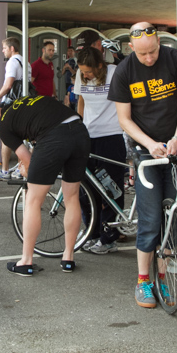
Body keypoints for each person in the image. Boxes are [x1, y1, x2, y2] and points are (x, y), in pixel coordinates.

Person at [107, 22, 177, 308]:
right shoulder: (124, 71)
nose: (149, 58)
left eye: (153, 52)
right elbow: (124, 119)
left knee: (172, 216)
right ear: (131, 47)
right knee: (150, 217)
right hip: (145, 151)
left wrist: (176, 138)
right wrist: (149, 144)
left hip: (175, 146)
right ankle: (143, 280)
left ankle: (163, 278)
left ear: (159, 42)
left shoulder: (176, 60)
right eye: (142, 53)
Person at [0, 97, 90, 275]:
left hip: (53, 137)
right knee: (72, 197)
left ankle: (26, 261)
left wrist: (26, 171)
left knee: (33, 200)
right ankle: (68, 258)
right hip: (79, 131)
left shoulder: (4, 127)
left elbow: (27, 159)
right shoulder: (18, 104)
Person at [74, 46, 126, 254]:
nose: (85, 75)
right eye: (82, 71)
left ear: (100, 66)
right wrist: (80, 126)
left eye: (88, 71)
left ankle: (109, 237)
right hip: (88, 136)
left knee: (111, 188)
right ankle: (92, 233)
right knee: (86, 190)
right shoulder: (81, 75)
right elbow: (81, 101)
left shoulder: (114, 73)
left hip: (112, 136)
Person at [0, 36, 28, 181]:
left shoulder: (12, 62)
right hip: (24, 102)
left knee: (6, 136)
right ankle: (20, 169)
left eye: (4, 48)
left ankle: (5, 170)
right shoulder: (25, 62)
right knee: (21, 136)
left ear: (12, 48)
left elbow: (8, 85)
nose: (3, 51)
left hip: (12, 104)